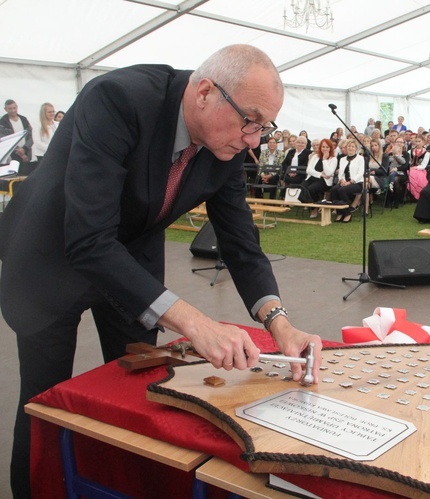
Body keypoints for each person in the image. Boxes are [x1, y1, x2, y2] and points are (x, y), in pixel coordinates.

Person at [0, 45, 323, 499]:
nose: (254, 140)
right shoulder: (117, 99)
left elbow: (241, 244)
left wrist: (279, 322)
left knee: (137, 386)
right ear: (206, 92)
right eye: (249, 121)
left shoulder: (225, 144)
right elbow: (89, 239)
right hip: (52, 256)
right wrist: (195, 323)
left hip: (130, 257)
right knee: (44, 403)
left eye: (264, 127)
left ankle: (115, 485)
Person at [330, 139, 364, 223]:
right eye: (349, 146)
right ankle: (339, 213)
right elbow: (340, 173)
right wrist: (342, 180)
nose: (351, 148)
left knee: (342, 190)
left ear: (356, 148)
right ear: (346, 147)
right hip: (344, 182)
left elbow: (360, 173)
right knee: (333, 190)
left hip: (356, 183)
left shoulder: (360, 159)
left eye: (353, 146)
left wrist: (350, 182)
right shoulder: (342, 159)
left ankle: (347, 214)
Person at [302, 138, 337, 216]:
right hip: (313, 178)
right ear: (320, 147)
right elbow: (308, 170)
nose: (324, 149)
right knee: (302, 188)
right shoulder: (315, 157)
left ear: (330, 148)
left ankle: (314, 209)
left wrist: (324, 160)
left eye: (327, 147)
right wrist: (320, 174)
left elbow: (328, 173)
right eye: (323, 147)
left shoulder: (333, 159)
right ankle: (316, 203)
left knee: (311, 189)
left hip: (324, 181)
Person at [0, 99, 34, 163]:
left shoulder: (24, 119)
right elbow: (4, 138)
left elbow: (31, 135)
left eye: (14, 108)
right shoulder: (3, 122)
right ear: (5, 109)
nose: (13, 110)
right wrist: (19, 151)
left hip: (27, 152)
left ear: (17, 107)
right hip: (12, 154)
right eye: (10, 108)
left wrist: (25, 148)